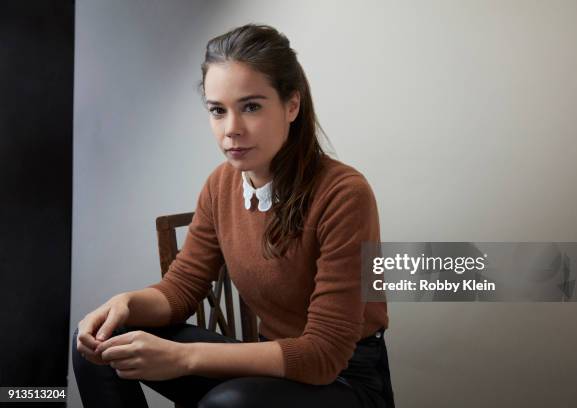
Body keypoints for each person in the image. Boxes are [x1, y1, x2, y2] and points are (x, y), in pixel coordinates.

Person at [72, 23, 394, 408]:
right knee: (99, 343)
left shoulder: (344, 194)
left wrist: (182, 358)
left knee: (228, 403)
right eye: (217, 111)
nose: (231, 130)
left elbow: (323, 354)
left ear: (292, 105)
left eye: (251, 107)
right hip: (268, 360)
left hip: (345, 378)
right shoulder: (221, 184)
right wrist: (126, 302)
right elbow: (181, 290)